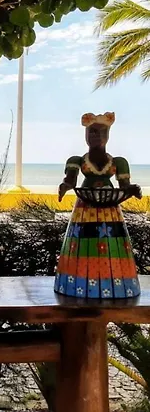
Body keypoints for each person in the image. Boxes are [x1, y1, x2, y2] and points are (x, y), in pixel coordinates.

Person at [55, 112, 142, 298]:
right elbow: (70, 180)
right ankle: (81, 284)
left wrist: (132, 190)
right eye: (93, 132)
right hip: (84, 209)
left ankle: (116, 285)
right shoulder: (77, 160)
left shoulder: (118, 162)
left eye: (102, 132)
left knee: (113, 246)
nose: (97, 136)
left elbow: (124, 187)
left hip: (110, 210)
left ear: (108, 135)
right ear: (86, 134)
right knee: (82, 246)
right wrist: (65, 186)